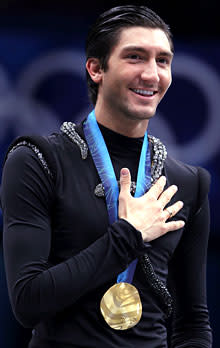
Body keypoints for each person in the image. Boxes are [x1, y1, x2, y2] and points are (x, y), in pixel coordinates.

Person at [1, 5, 212, 348]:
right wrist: (128, 235)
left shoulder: (187, 182)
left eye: (163, 60)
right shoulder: (38, 160)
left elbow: (193, 324)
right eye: (135, 57)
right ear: (96, 68)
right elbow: (27, 302)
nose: (152, 74)